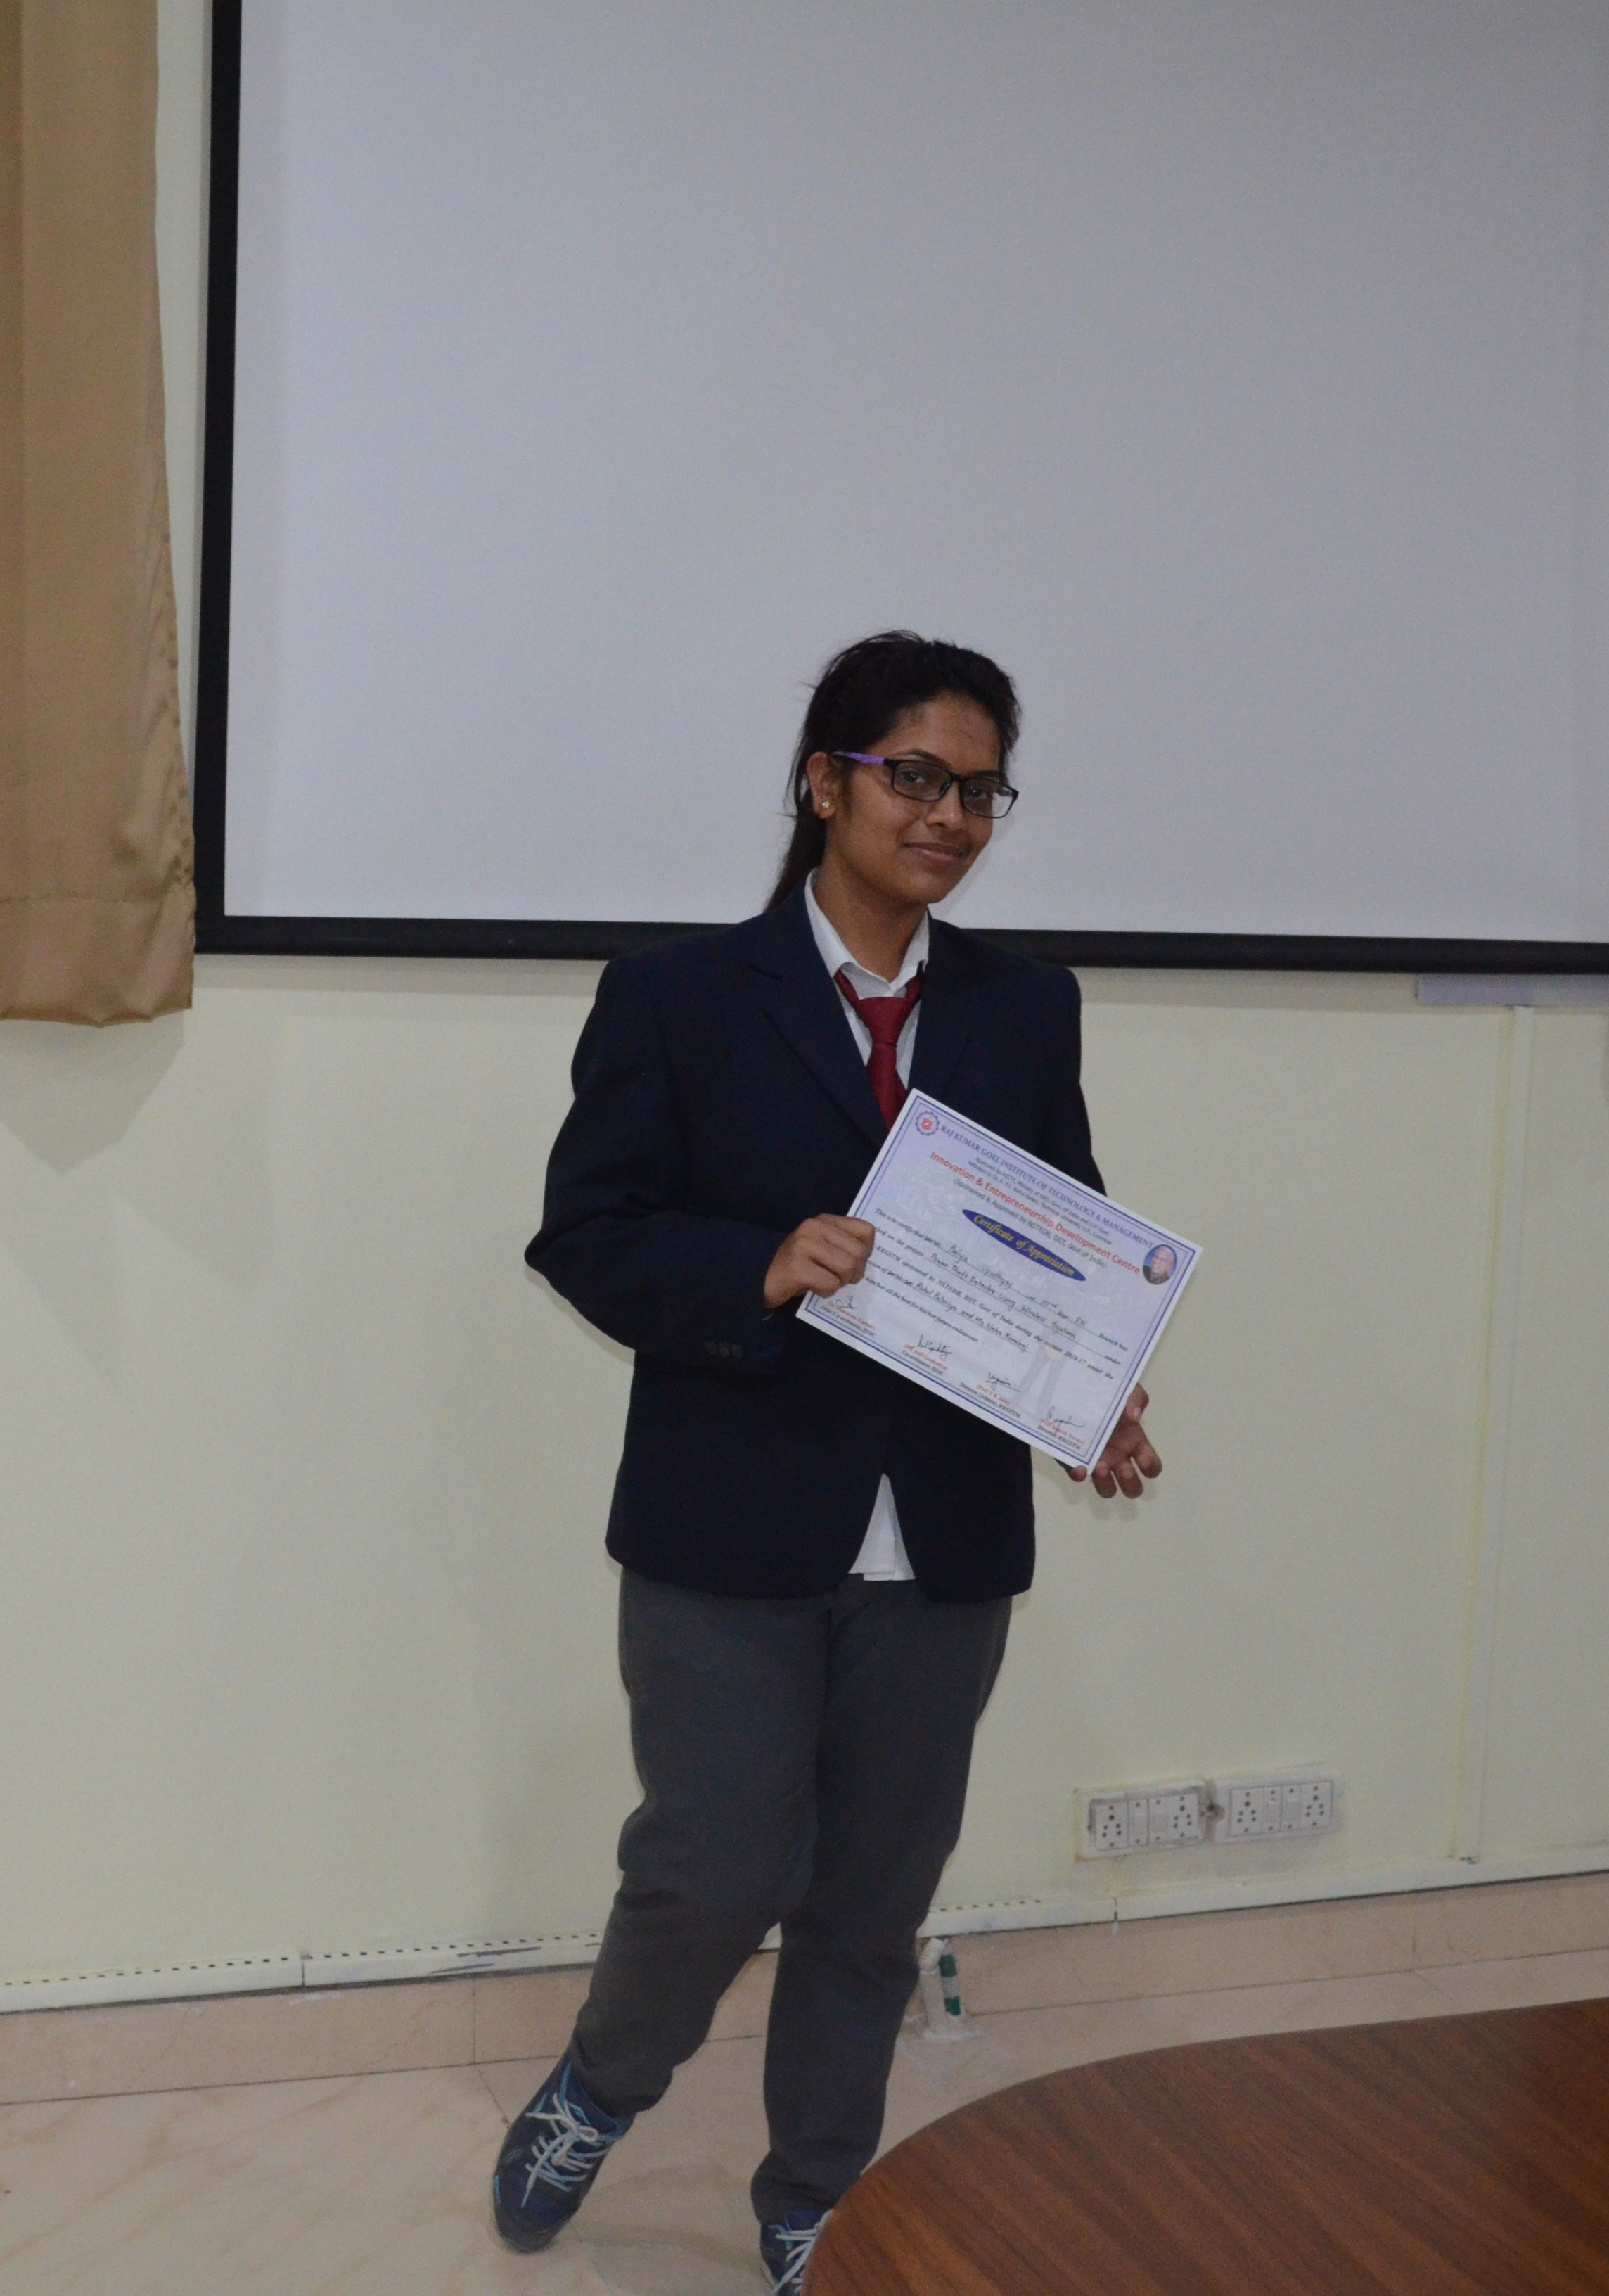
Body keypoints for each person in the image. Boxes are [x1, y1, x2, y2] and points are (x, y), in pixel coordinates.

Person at [494, 632, 1162, 2292]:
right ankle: (602, 2084)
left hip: (943, 1535)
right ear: (823, 783)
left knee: (870, 1902)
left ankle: (813, 2195)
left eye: (980, 791)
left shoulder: (1023, 1008)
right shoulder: (676, 997)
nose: (947, 817)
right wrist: (759, 1267)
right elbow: (586, 1235)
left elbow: (1057, 1244)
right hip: (729, 1515)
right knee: (711, 1872)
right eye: (912, 776)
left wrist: (1092, 1393)